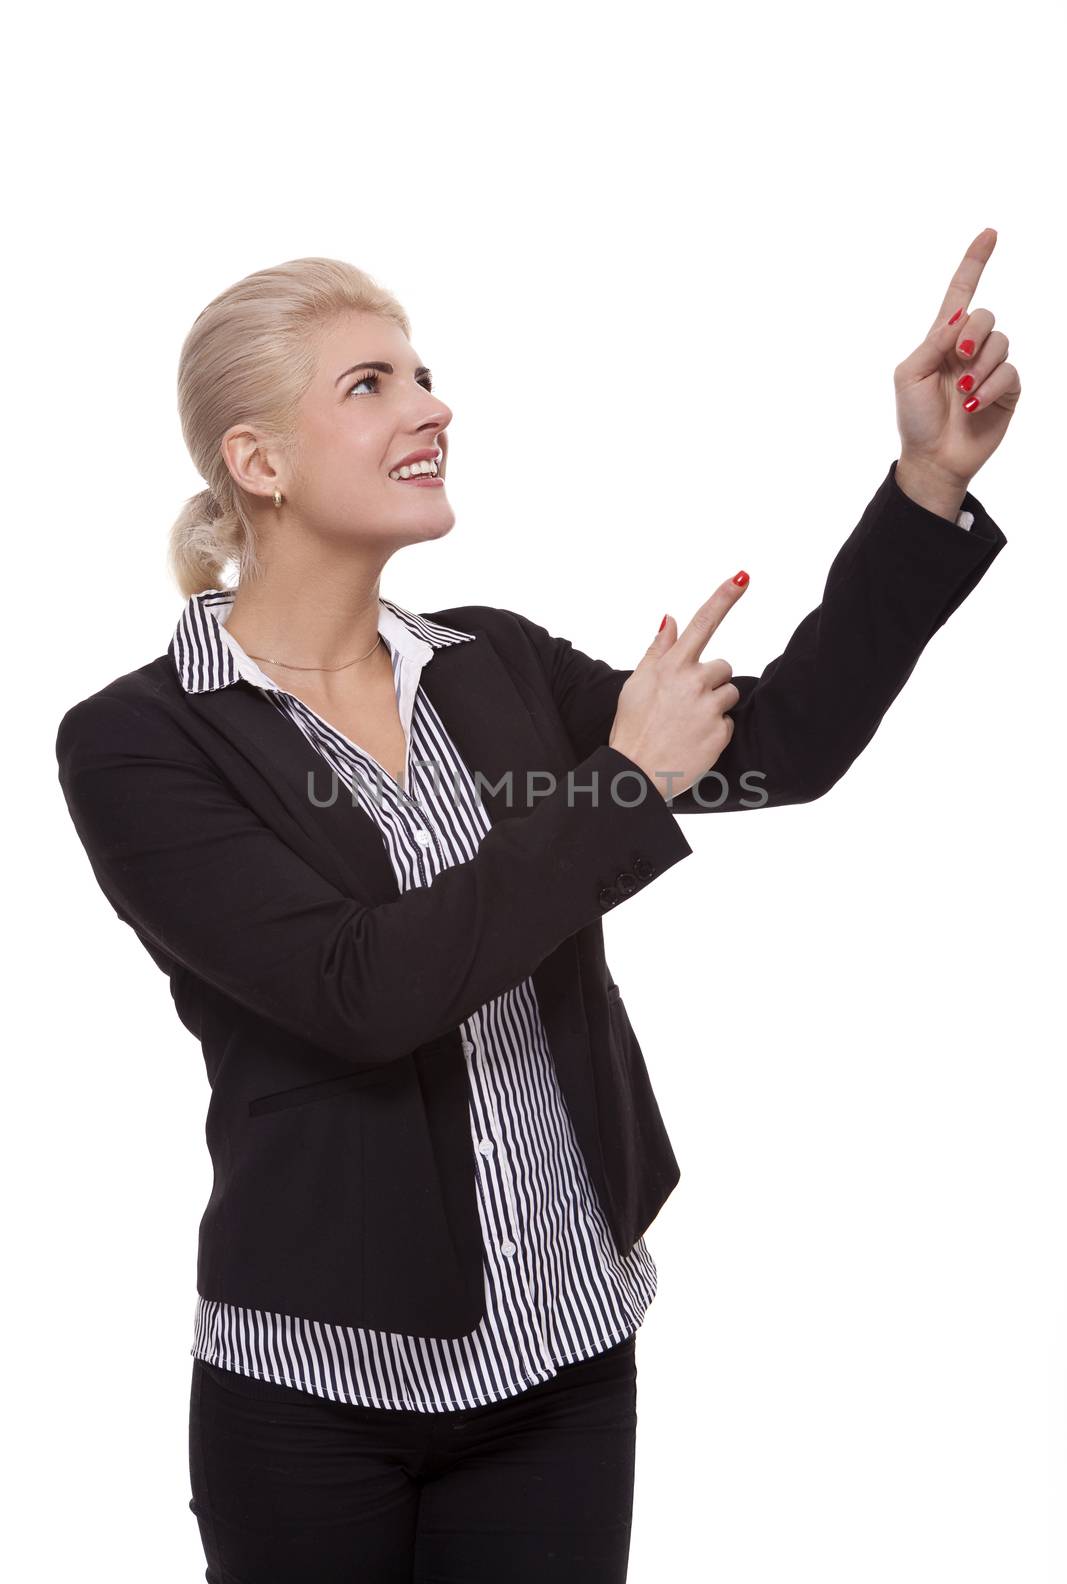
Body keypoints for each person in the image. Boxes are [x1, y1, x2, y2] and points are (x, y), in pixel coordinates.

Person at [55, 231, 1018, 1583]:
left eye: (426, 374)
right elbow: (361, 990)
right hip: (314, 1401)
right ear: (257, 462)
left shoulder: (492, 666)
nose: (433, 406)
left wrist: (926, 485)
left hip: (563, 1364)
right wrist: (624, 783)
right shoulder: (142, 742)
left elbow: (781, 749)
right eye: (371, 385)